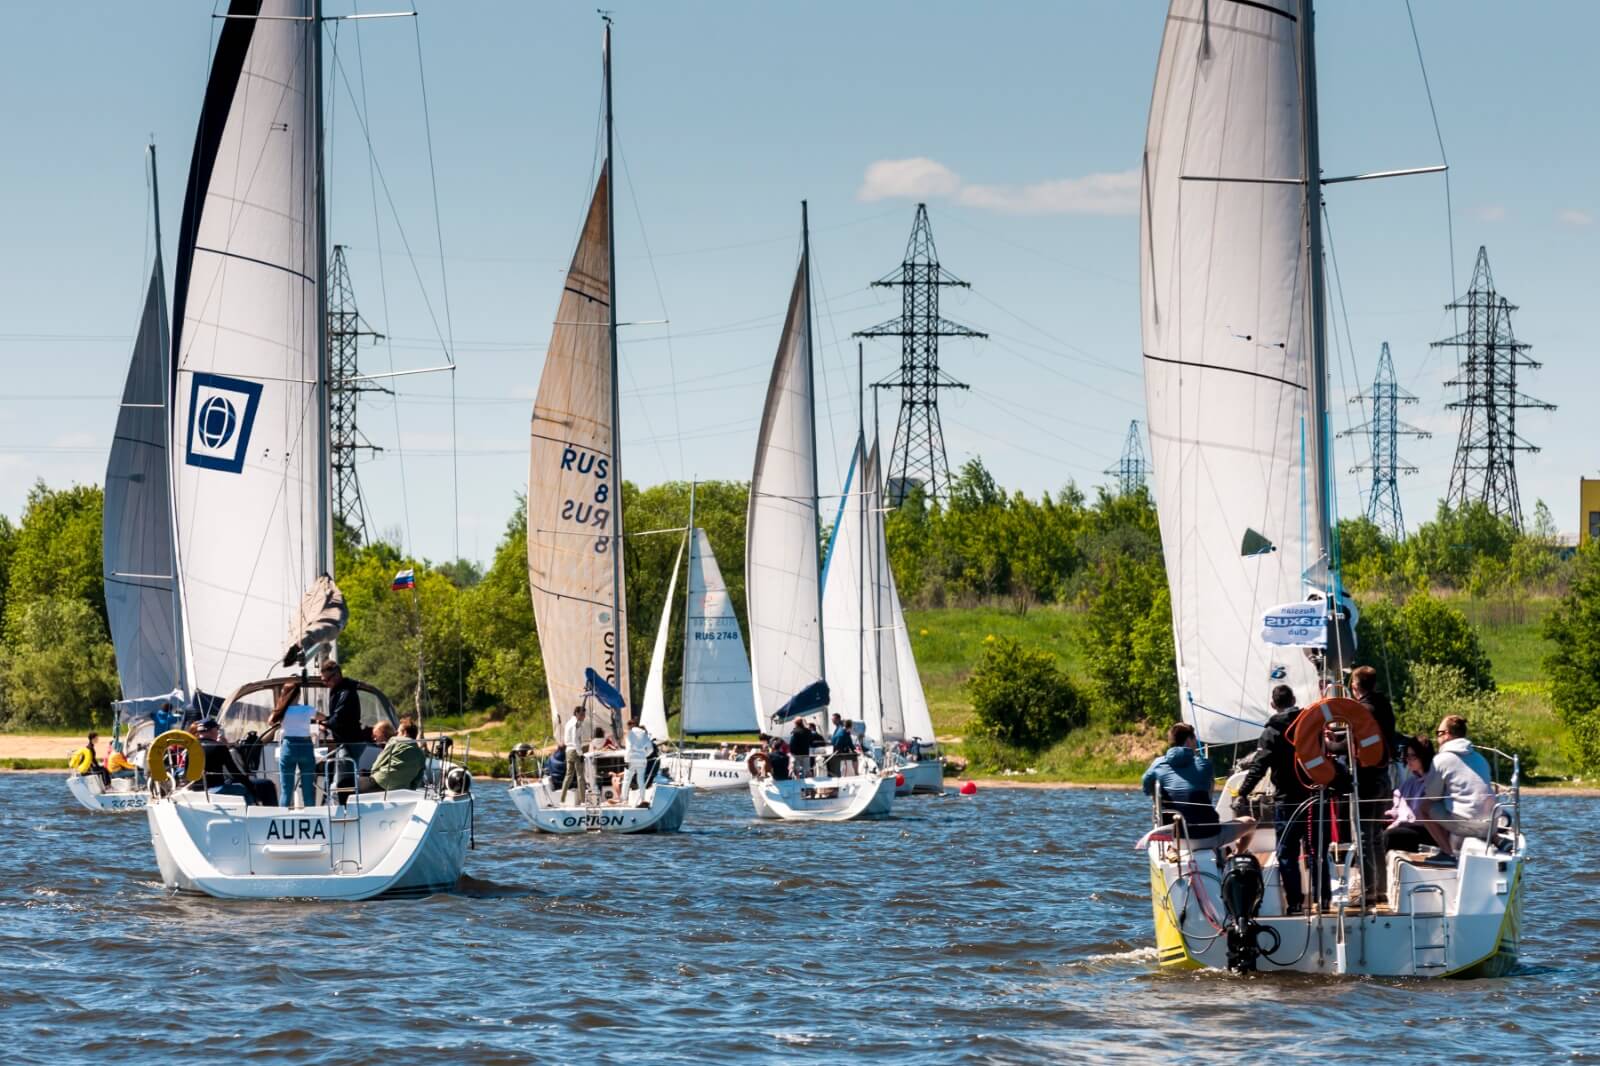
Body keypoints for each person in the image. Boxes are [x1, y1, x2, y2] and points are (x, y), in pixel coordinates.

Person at [1233, 685, 1321, 914]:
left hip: (1288, 799)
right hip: (1314, 795)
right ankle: (1323, 899)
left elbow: (1259, 767)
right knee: (1314, 849)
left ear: (1273, 705)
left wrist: (1243, 792)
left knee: (1286, 853)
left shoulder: (1271, 732)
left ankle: (1295, 904)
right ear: (1293, 699)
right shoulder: (1309, 722)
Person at [1349, 665, 1399, 901]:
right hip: (1383, 778)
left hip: (1366, 780)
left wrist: (1330, 745)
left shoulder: (1362, 711)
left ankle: (1368, 892)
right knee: (1376, 836)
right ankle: (1380, 889)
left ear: (1355, 686)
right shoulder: (1384, 706)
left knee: (1364, 837)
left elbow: (1357, 744)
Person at [1423, 715, 1497, 854]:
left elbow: (1432, 796)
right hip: (1491, 825)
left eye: (1438, 733)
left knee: (1425, 807)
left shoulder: (1441, 760)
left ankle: (1448, 853)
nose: (1437, 739)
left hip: (1467, 824)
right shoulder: (1480, 758)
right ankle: (1496, 839)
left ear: (1447, 735)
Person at [1142, 722, 1219, 838]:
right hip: (1207, 832)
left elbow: (1146, 788)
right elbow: (1209, 791)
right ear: (1188, 741)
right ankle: (1222, 850)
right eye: (1195, 740)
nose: (1196, 745)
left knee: (1158, 786)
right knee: (1248, 822)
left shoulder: (1157, 764)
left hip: (1172, 830)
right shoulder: (1205, 764)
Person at [1381, 735, 1447, 855]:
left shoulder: (1433, 782)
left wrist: (1397, 823)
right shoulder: (1410, 782)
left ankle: (1378, 872)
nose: (1408, 759)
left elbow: (1418, 816)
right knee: (1375, 831)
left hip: (1428, 831)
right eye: (1407, 756)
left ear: (1423, 756)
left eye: (1413, 756)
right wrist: (1389, 816)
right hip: (1407, 826)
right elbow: (1398, 806)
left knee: (1390, 836)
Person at [319, 659, 367, 796]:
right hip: (347, 741)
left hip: (349, 742)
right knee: (343, 779)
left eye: (327, 680)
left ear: (337, 675)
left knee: (342, 783)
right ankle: (343, 806)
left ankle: (344, 810)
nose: (325, 683)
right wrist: (327, 722)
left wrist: (325, 723)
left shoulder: (345, 692)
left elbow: (339, 716)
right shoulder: (343, 689)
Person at [269, 680, 317, 808]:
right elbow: (323, 717)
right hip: (305, 747)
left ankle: (282, 817)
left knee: (286, 791)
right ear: (299, 694)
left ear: (284, 694)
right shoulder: (307, 709)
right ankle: (312, 816)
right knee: (308, 791)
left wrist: (281, 703)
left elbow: (270, 722)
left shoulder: (281, 711)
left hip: (288, 747)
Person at [196, 718, 255, 798]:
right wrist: (250, 786)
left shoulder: (191, 747)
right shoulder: (219, 747)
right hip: (215, 788)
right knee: (247, 790)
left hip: (195, 789)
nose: (218, 732)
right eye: (217, 729)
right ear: (213, 730)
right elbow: (234, 772)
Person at [364, 719, 426, 792]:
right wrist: (409, 791)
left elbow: (378, 763)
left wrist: (372, 777)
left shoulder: (395, 740)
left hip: (381, 782)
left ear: (405, 733)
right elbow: (418, 778)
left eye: (398, 731)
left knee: (353, 784)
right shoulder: (421, 754)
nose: (396, 733)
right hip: (402, 788)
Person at [559, 705, 587, 805]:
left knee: (568, 775)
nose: (584, 716)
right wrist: (580, 753)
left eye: (584, 714)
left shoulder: (569, 722)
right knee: (580, 776)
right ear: (576, 714)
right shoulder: (576, 723)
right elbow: (575, 739)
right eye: (582, 714)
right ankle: (583, 801)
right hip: (575, 750)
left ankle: (562, 799)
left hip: (568, 751)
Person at [622, 716, 652, 806]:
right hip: (642, 759)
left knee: (627, 780)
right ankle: (643, 799)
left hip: (631, 759)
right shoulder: (643, 733)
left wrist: (626, 760)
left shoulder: (630, 733)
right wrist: (644, 755)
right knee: (641, 780)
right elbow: (650, 748)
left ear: (631, 725)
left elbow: (629, 748)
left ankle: (624, 800)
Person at [827, 713, 855, 778]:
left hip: (841, 753)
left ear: (838, 719)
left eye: (833, 719)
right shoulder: (839, 728)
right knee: (840, 770)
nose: (832, 721)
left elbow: (846, 739)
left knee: (843, 771)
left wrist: (853, 749)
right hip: (836, 753)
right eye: (832, 720)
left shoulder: (842, 729)